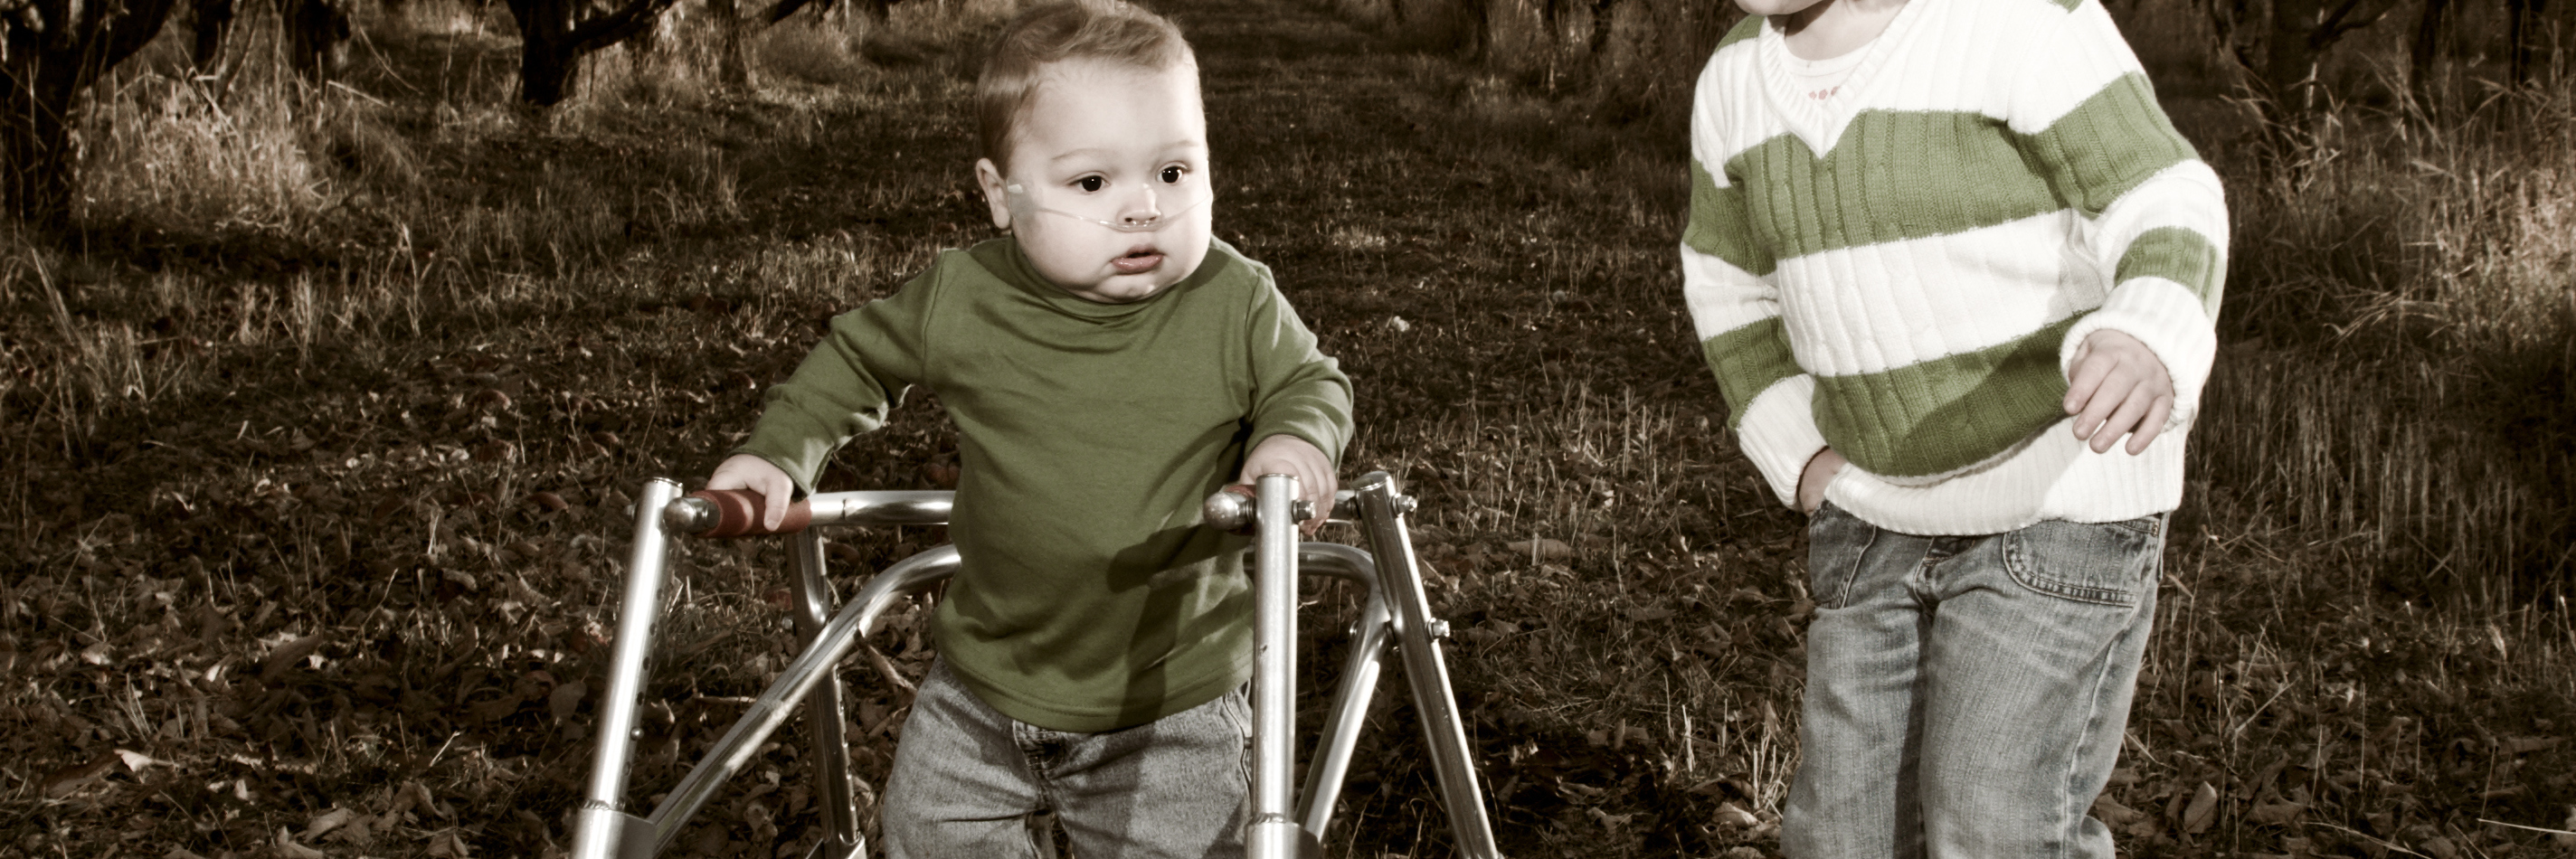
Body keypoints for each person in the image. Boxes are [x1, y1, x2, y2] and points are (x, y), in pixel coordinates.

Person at [706, 2, 1352, 854]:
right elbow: (857, 359)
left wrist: (1292, 443)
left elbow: (1310, 381)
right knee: (926, 840)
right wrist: (779, 452)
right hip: (982, 689)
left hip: (1170, 705)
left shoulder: (1232, 299)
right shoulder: (963, 298)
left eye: (1174, 172)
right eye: (1092, 182)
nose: (1142, 209)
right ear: (999, 195)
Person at [1679, 0, 2229, 854]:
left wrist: (2146, 329)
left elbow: (2161, 192)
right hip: (1869, 517)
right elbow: (1727, 286)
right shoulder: (1734, 81)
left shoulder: (2016, 20)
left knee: (1992, 814)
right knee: (1842, 831)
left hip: (2054, 502)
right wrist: (1799, 447)